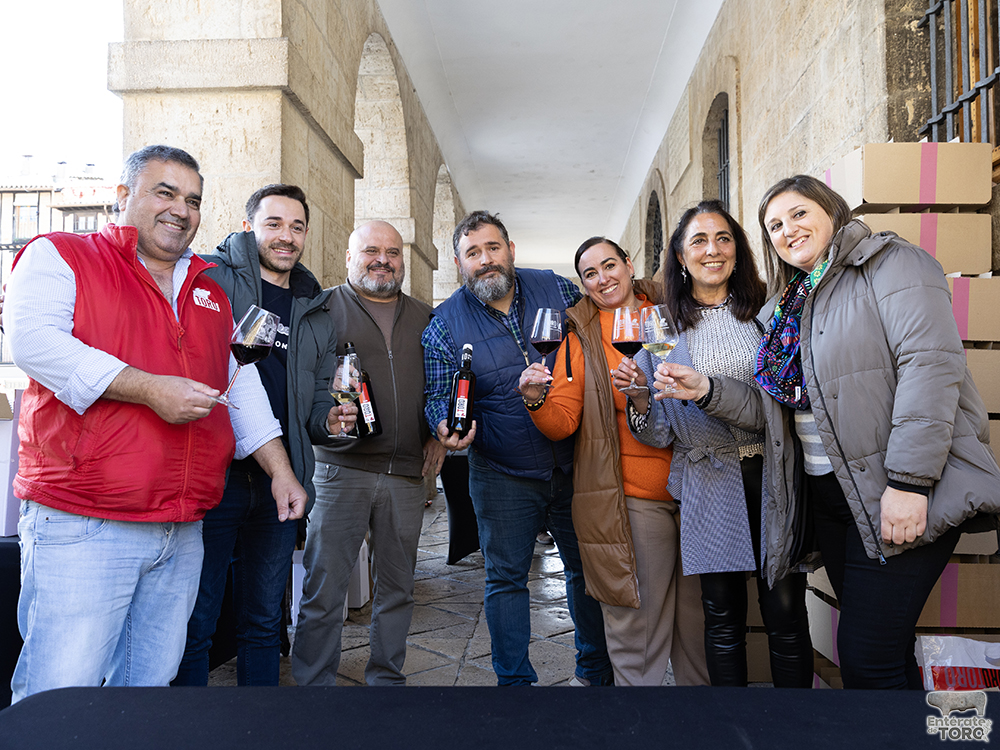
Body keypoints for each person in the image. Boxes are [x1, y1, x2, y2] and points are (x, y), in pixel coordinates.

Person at [655, 175, 1000, 690]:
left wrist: (909, 482)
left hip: (893, 488)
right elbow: (774, 411)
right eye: (775, 225)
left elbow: (930, 368)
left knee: (866, 659)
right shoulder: (788, 303)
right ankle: (908, 728)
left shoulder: (892, 264)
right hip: (832, 499)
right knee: (883, 651)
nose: (788, 230)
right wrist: (707, 389)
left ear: (832, 209)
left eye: (798, 214)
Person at [4, 145, 307, 702]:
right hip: (86, 521)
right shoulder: (61, 254)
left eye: (192, 200)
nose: (181, 210)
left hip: (181, 528)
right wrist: (149, 389)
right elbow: (34, 343)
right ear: (123, 196)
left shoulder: (208, 290)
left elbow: (236, 384)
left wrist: (280, 471)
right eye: (165, 193)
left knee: (148, 691)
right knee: (59, 692)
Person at [618, 202, 813, 687]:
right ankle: (730, 722)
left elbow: (789, 397)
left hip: (773, 475)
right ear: (680, 256)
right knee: (722, 617)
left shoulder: (769, 311)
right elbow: (661, 431)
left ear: (738, 250)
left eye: (723, 238)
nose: (713, 250)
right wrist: (640, 398)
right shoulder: (660, 326)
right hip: (707, 479)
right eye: (699, 241)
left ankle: (797, 722)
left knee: (786, 612)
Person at [423, 210, 612, 687]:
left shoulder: (558, 290)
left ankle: (595, 674)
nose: (485, 259)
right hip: (501, 473)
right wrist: (442, 424)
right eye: (473, 253)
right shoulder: (444, 324)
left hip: (575, 464)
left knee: (585, 572)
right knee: (505, 579)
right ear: (458, 263)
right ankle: (514, 686)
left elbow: (607, 316)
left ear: (510, 249)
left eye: (493, 248)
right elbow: (438, 395)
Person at [174, 184, 353, 687]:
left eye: (296, 227)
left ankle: (260, 722)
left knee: (264, 622)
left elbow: (316, 401)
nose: (286, 236)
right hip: (216, 475)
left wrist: (328, 422)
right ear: (248, 226)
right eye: (273, 223)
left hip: (280, 479)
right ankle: (189, 723)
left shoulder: (315, 310)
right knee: (196, 619)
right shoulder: (209, 277)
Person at [517, 237, 709, 686]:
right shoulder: (580, 335)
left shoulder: (672, 309)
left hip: (700, 488)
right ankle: (635, 718)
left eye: (609, 265)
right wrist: (535, 400)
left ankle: (698, 716)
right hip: (636, 496)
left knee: (698, 623)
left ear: (628, 264)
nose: (603, 278)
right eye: (590, 274)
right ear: (583, 284)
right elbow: (563, 422)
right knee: (637, 626)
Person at [292, 220, 450, 686]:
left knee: (398, 589)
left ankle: (386, 681)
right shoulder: (321, 310)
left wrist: (438, 436)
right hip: (339, 471)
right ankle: (314, 686)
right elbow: (300, 384)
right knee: (325, 588)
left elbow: (444, 384)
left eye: (393, 252)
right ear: (348, 257)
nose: (383, 260)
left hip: (406, 474)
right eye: (371, 251)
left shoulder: (427, 318)